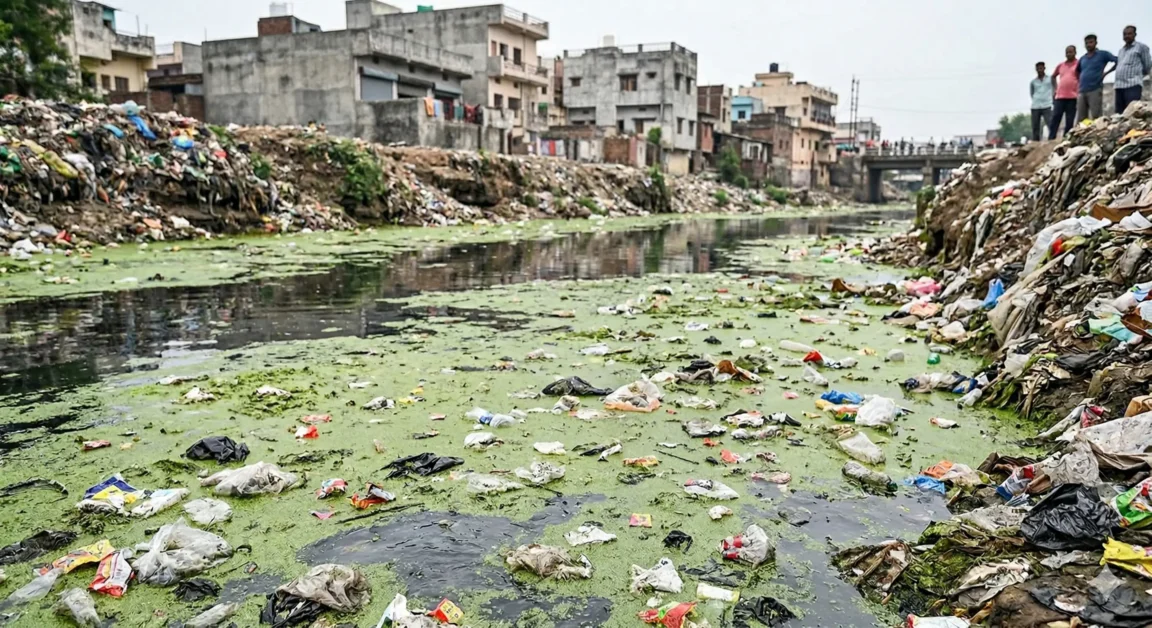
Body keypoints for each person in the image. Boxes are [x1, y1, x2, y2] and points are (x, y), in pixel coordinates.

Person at [1076, 34, 1118, 121]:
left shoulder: (1102, 54)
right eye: (1086, 43)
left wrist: (1106, 73)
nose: (1089, 45)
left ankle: (1097, 134)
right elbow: (1077, 71)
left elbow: (1117, 61)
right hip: (1082, 90)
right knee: (1082, 118)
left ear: (1096, 43)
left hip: (1095, 89)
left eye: (1091, 42)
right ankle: (1084, 133)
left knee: (1096, 116)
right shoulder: (1083, 58)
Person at [1115, 25, 1152, 115]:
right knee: (1119, 115)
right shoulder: (1121, 50)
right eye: (1124, 34)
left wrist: (1138, 74)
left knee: (1132, 113)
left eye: (1129, 34)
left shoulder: (1141, 47)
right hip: (1119, 85)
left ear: (1135, 34)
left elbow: (1147, 65)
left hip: (1133, 84)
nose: (1126, 36)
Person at [1049, 46, 1079, 139]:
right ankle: (1051, 137)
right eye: (1067, 52)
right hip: (1060, 96)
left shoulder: (1079, 64)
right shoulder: (1061, 65)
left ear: (1075, 52)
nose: (1069, 54)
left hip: (1072, 96)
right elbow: (1053, 76)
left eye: (1070, 52)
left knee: (1069, 120)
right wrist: (1055, 89)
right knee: (1055, 118)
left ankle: (1066, 138)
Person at [1029, 61, 1054, 141]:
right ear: (1036, 69)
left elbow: (1054, 88)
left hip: (1047, 104)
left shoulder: (1050, 79)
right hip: (1036, 105)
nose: (1040, 70)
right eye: (1038, 68)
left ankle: (1052, 140)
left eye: (1041, 68)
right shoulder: (1033, 82)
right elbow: (1032, 93)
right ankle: (1035, 142)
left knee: (1050, 124)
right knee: (1035, 126)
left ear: (1044, 68)